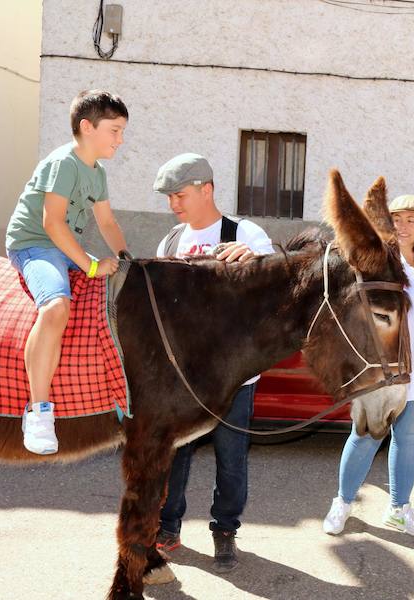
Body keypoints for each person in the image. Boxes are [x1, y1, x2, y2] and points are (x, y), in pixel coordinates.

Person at [150, 153, 275, 573]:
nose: (173, 204)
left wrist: (257, 261)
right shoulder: (170, 241)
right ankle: (167, 527)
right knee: (176, 454)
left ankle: (225, 531)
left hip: (233, 379)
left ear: (207, 189)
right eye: (169, 197)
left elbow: (278, 287)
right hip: (183, 378)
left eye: (179, 195)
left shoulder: (246, 233)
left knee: (231, 458)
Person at [322, 194, 414, 537]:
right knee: (366, 435)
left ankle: (399, 509)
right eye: (396, 219)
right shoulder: (379, 260)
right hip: (383, 369)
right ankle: (342, 502)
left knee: (408, 436)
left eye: (410, 220)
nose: (402, 226)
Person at [4, 89, 130, 455]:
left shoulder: (98, 172)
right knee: (57, 307)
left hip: (63, 245)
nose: (120, 140)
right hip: (36, 243)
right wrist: (90, 264)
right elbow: (52, 224)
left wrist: (125, 258)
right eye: (115, 130)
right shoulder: (63, 162)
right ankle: (39, 411)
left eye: (122, 132)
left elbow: (106, 222)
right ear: (87, 127)